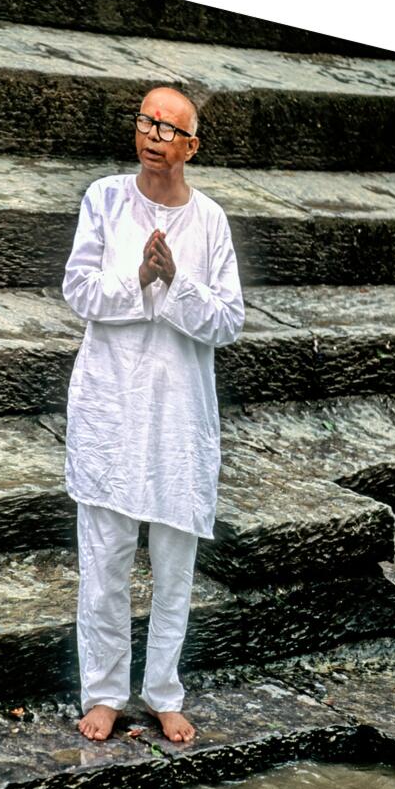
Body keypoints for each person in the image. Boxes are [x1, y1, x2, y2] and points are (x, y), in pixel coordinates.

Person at [62, 86, 245, 744]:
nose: (153, 133)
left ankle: (163, 690)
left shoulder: (210, 221)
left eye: (169, 127)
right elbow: (77, 288)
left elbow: (227, 321)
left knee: (174, 565)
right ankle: (105, 692)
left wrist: (176, 281)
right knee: (105, 558)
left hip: (177, 419)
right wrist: (140, 279)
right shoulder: (105, 200)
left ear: (191, 145)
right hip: (111, 408)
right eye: (146, 120)